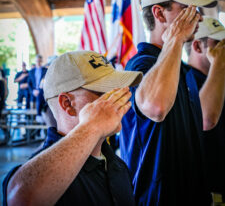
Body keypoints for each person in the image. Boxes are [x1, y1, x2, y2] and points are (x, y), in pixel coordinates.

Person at [119, 0, 221, 206]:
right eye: (187, 9)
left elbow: (207, 119)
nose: (198, 17)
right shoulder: (141, 64)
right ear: (159, 13)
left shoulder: (182, 70)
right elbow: (156, 107)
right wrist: (174, 38)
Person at [3, 50, 142, 206]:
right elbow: (21, 198)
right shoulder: (43, 176)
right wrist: (92, 126)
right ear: (67, 104)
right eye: (105, 92)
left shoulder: (117, 165)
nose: (119, 99)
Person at [185, 16, 225, 200]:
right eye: (219, 44)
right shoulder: (184, 80)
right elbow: (204, 119)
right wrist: (219, 64)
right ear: (197, 46)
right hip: (207, 190)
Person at [28, 54, 47, 122]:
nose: (38, 62)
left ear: (41, 61)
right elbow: (29, 83)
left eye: (39, 61)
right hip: (33, 94)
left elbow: (46, 82)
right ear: (35, 61)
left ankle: (39, 116)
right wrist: (33, 91)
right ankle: (34, 131)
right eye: (37, 61)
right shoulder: (31, 71)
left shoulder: (45, 70)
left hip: (42, 93)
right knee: (32, 116)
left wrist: (40, 90)